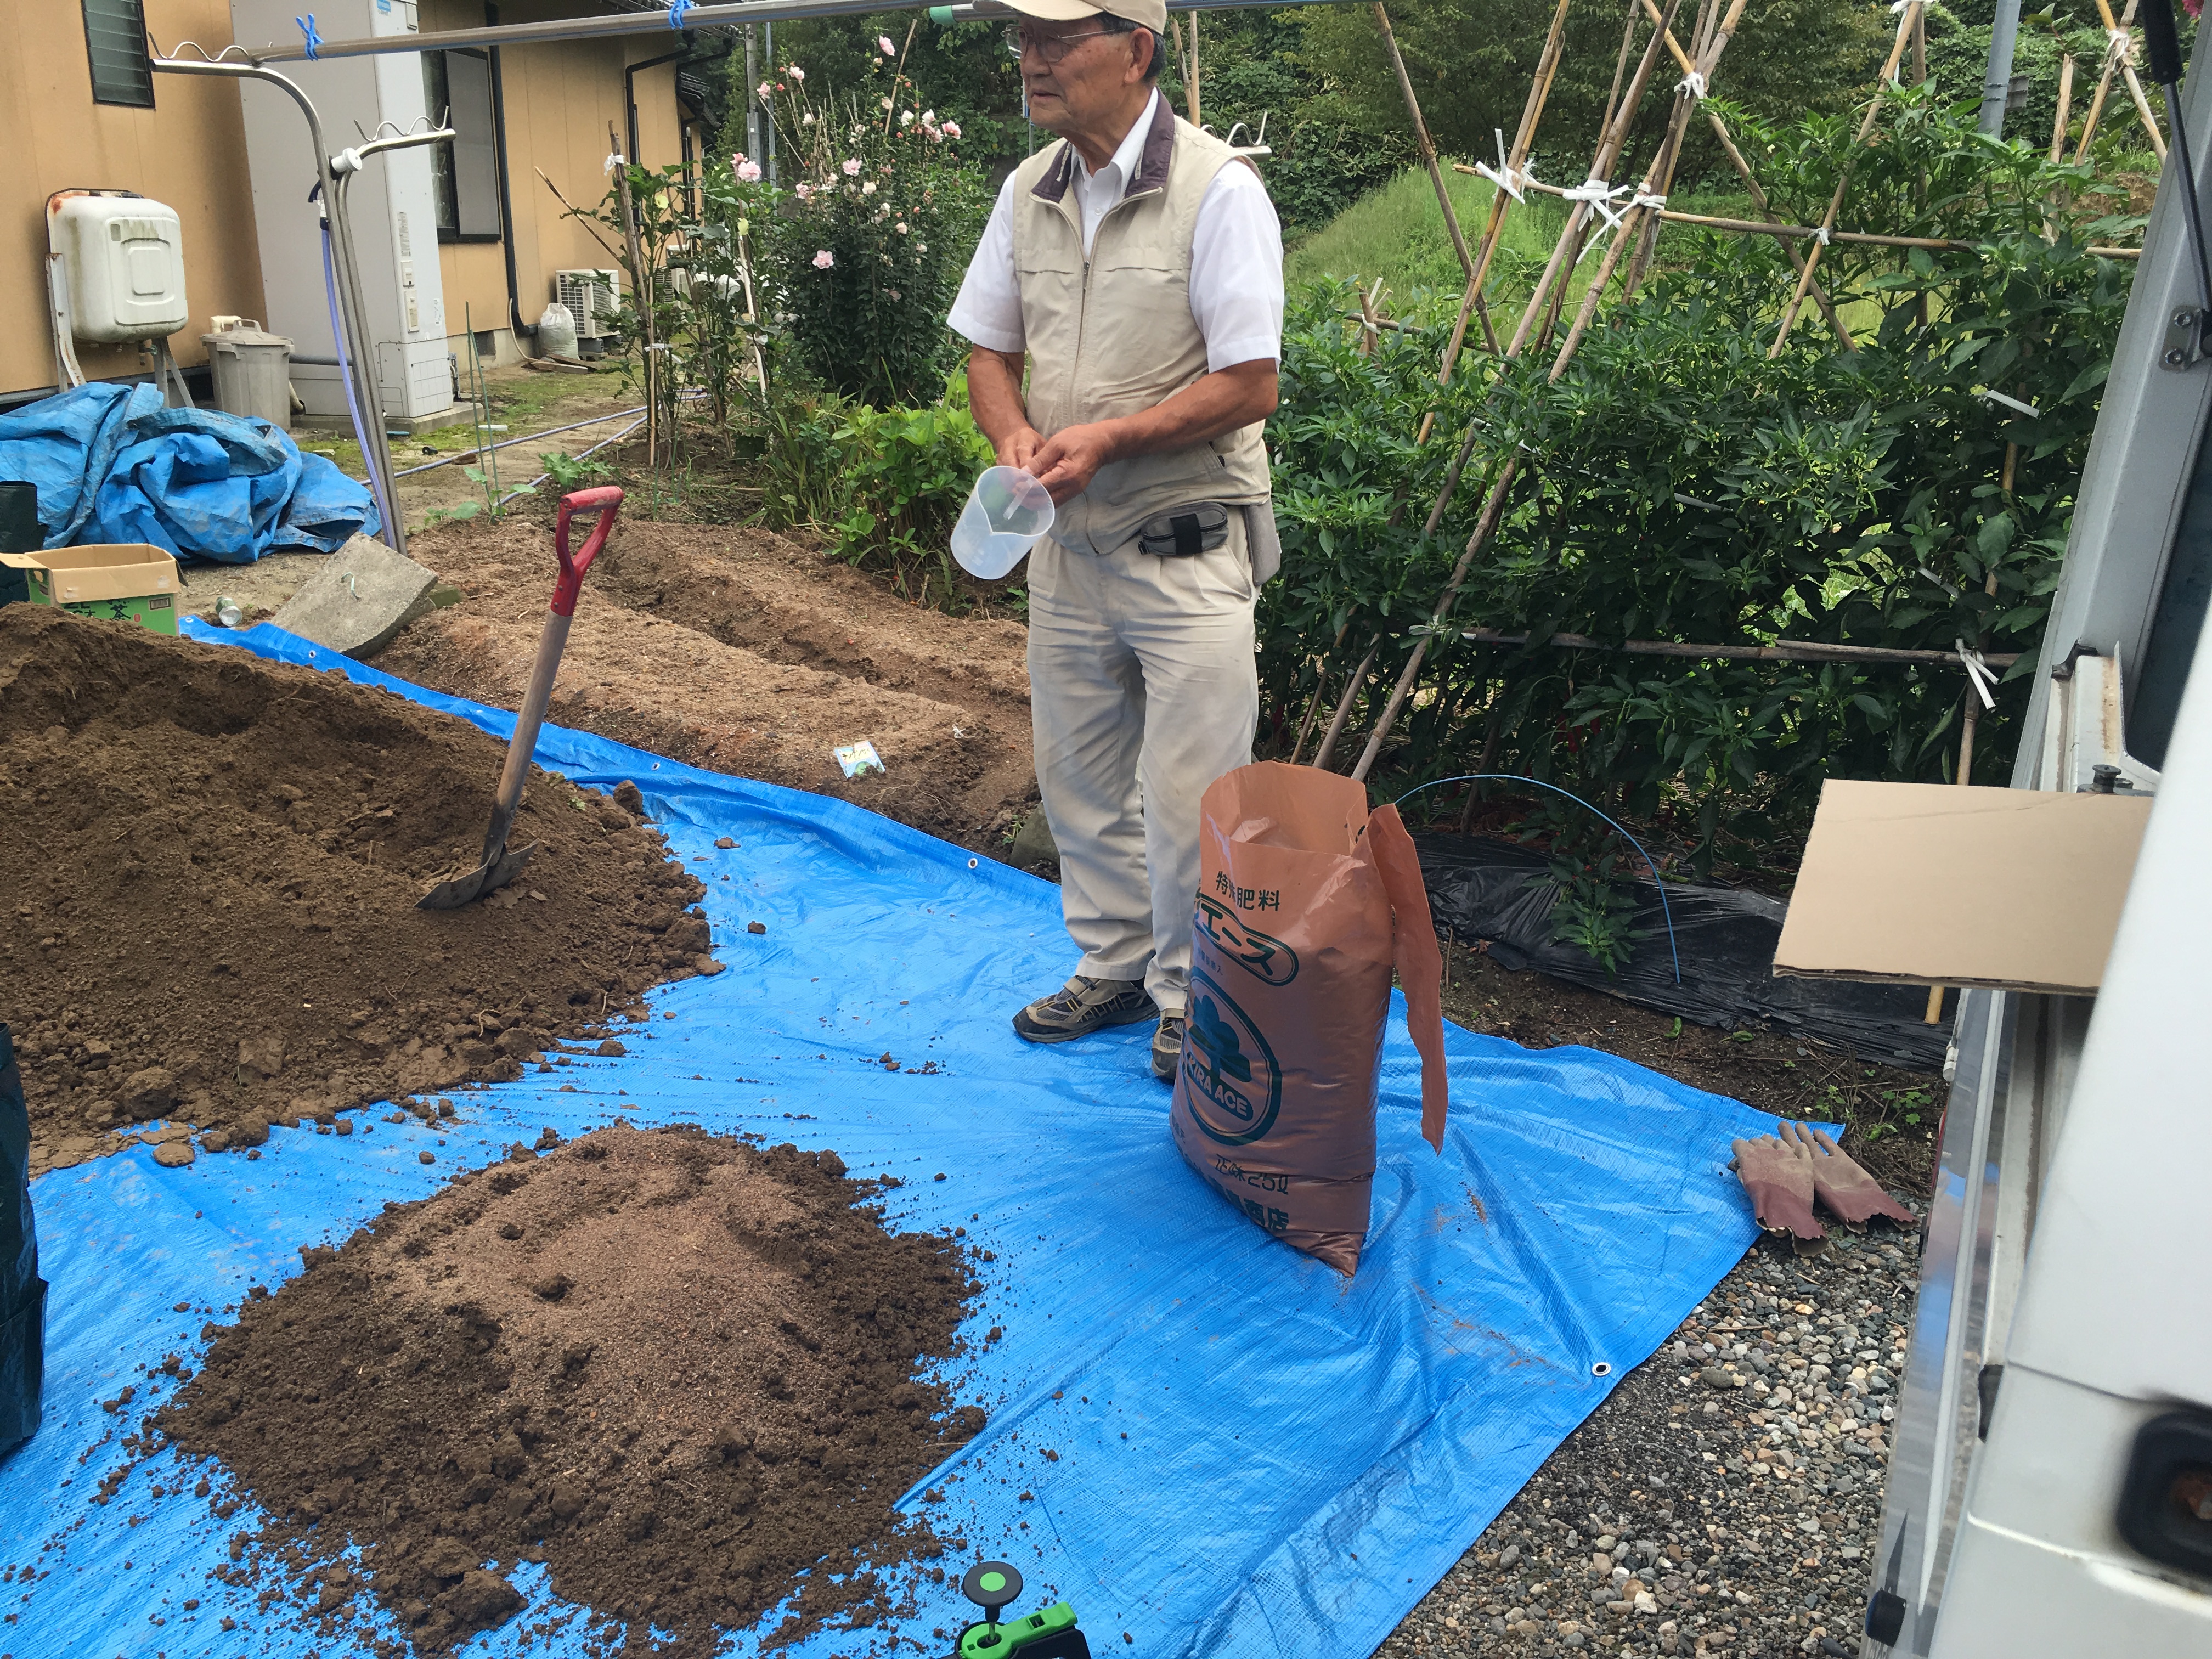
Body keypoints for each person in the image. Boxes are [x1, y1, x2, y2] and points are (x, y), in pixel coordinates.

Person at [948, 0, 1285, 1082]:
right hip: (1066, 547)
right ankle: (1118, 967)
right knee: (1079, 782)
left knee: (1195, 798)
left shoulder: (1218, 190)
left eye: (1055, 40)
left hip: (1185, 547)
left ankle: (1198, 1000)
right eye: (1020, 41)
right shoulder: (1028, 191)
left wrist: (1109, 439)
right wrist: (1013, 436)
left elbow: (1250, 382)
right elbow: (989, 348)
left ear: (1136, 50)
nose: (1030, 62)